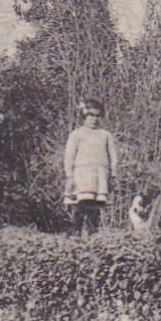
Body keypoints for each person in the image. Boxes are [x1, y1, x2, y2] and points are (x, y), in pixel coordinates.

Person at [62, 99, 117, 236]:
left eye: (97, 116)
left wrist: (113, 175)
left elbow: (112, 156)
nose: (94, 119)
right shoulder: (77, 134)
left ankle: (93, 235)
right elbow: (69, 156)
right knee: (81, 206)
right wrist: (69, 175)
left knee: (95, 208)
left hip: (100, 176)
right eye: (91, 115)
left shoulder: (105, 135)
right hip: (82, 176)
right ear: (84, 116)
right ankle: (75, 234)